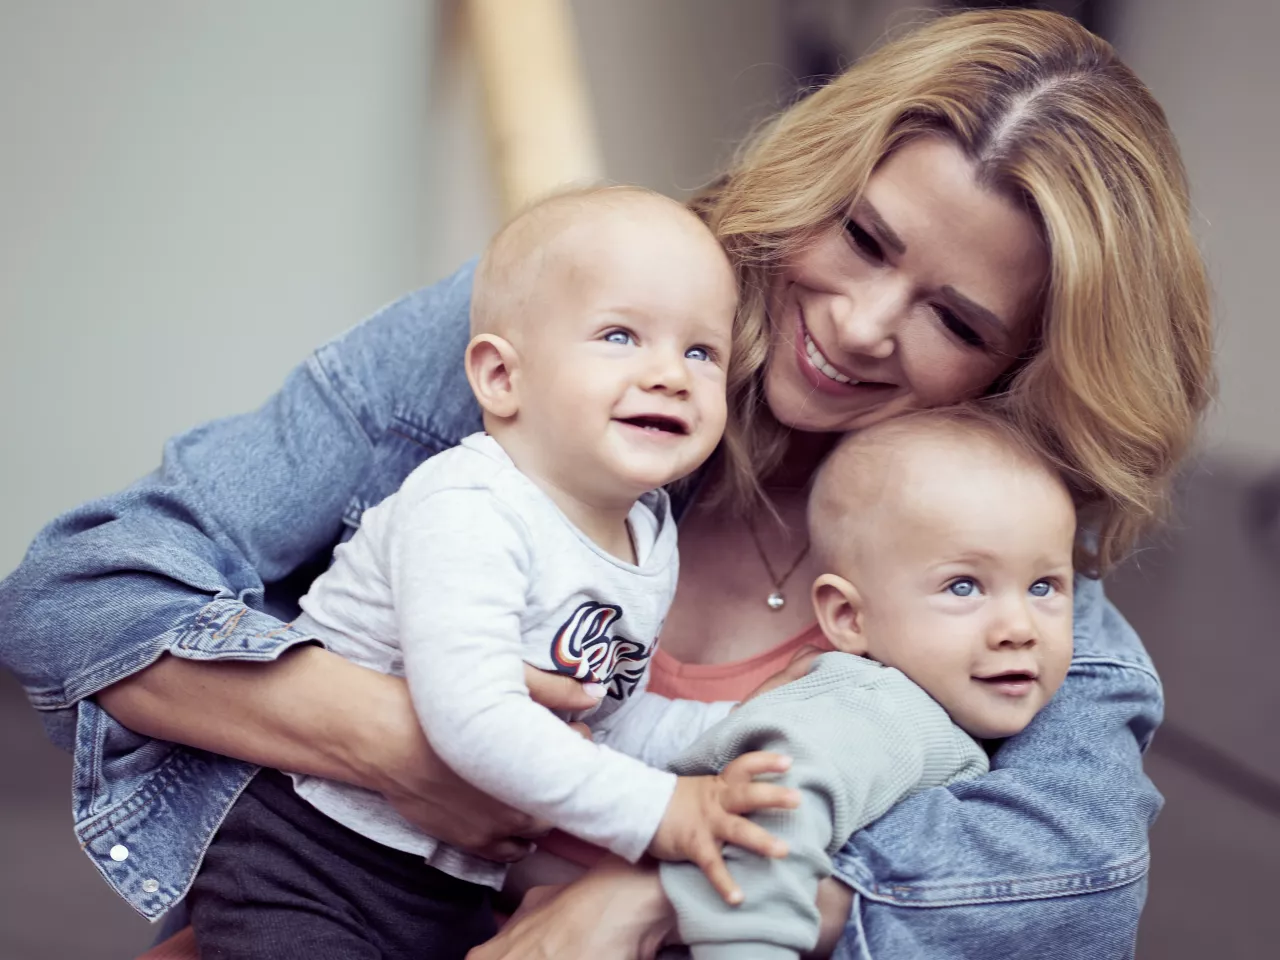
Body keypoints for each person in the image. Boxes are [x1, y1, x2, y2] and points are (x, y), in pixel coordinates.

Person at [0, 9, 1213, 959]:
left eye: (953, 319)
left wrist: (653, 898)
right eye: (860, 237)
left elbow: (1079, 882)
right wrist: (403, 742)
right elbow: (75, 592)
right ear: (817, 174)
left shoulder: (1000, 561)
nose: (858, 324)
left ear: (1020, 370)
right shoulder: (563, 330)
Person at [185, 186, 799, 959]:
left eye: (700, 352)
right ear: (502, 378)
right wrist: (659, 810)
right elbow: (472, 716)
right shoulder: (469, 505)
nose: (671, 375)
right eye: (620, 336)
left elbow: (607, 713)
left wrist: (745, 730)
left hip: (450, 885)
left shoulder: (645, 533)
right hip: (310, 855)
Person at [659, 406, 1075, 959]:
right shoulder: (869, 712)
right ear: (849, 618)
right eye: (963, 586)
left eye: (1043, 586)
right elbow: (758, 851)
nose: (1019, 629)